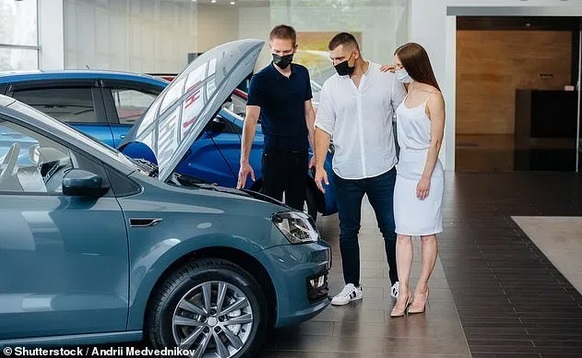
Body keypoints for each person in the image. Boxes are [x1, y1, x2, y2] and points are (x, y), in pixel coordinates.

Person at [313, 32, 406, 306]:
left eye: (339, 58)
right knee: (347, 230)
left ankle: (398, 282)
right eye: (332, 59)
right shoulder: (331, 87)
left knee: (391, 229)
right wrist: (319, 165)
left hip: (383, 170)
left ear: (355, 53)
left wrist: (404, 75)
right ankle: (352, 285)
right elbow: (323, 128)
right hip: (346, 171)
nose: (335, 63)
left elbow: (406, 112)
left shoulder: (386, 77)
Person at [389, 42, 445, 318]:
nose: (398, 71)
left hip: (426, 169)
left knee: (426, 233)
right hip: (404, 168)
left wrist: (425, 177)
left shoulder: (433, 97)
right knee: (402, 233)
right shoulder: (407, 90)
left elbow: (435, 141)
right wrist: (390, 69)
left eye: (401, 66)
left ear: (413, 66)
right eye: (396, 66)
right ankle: (404, 289)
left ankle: (422, 288)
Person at [237, 24, 316, 212]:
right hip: (275, 154)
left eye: (286, 51)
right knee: (272, 208)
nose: (281, 55)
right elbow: (250, 120)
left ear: (295, 49)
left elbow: (308, 113)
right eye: (277, 51)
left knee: (297, 208)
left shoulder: (302, 73)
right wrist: (244, 161)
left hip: (300, 153)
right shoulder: (260, 80)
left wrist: (316, 152)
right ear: (270, 49)